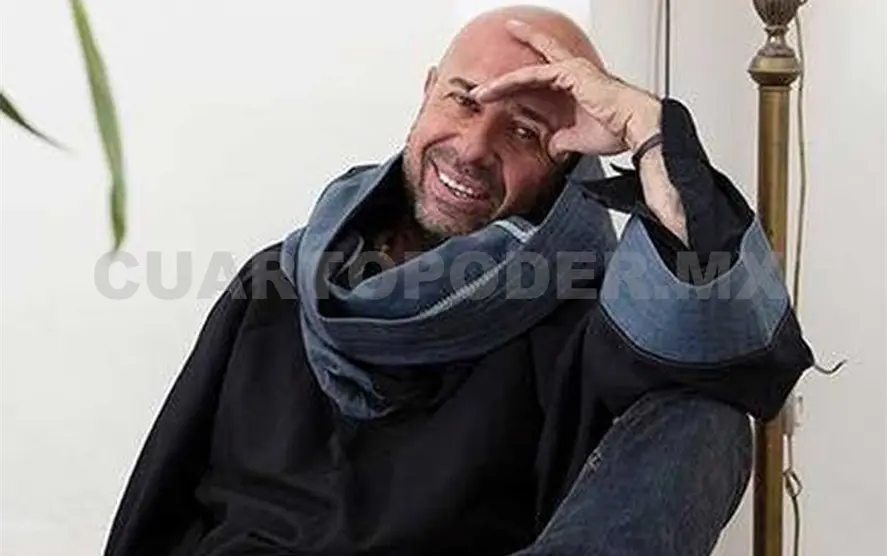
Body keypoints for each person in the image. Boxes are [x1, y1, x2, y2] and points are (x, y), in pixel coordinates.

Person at [103, 6, 813, 556]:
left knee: (708, 420)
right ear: (425, 92)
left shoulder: (583, 317)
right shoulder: (279, 282)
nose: (473, 149)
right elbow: (161, 502)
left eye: (525, 132)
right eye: (463, 100)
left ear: (568, 163)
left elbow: (728, 366)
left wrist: (649, 137)